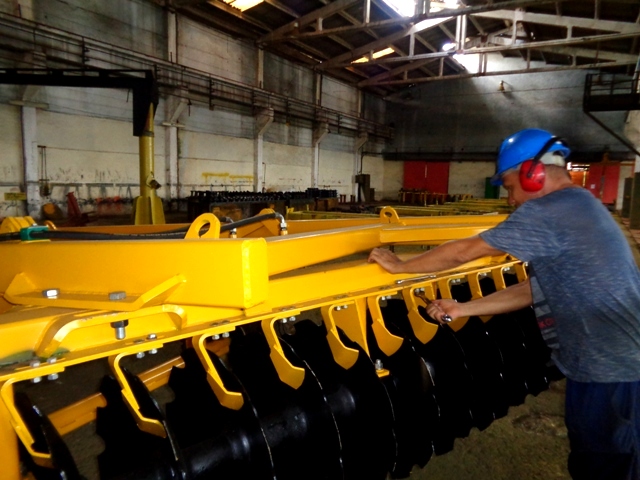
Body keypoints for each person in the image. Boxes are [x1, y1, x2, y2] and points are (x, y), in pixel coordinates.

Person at [368, 128, 640, 480]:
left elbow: (465, 251)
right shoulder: (582, 205)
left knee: (606, 463)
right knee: (598, 455)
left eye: (510, 187)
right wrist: (463, 308)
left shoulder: (550, 210)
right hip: (605, 364)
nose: (510, 199)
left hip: (610, 370)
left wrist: (401, 266)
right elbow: (533, 290)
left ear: (533, 174)